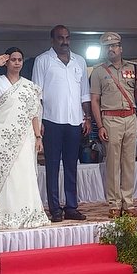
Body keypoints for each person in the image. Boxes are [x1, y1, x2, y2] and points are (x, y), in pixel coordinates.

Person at [0, 48, 50, 229]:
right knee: (4, 172)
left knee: (24, 172)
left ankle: (29, 213)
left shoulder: (30, 87)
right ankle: (7, 213)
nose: (16, 62)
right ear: (6, 62)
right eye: (12, 59)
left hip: (25, 136)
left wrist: (38, 137)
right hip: (2, 134)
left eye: (19, 59)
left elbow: (34, 114)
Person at [32, 25, 91, 222]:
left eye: (67, 38)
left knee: (71, 166)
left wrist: (87, 117)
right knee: (52, 167)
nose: (64, 41)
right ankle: (55, 208)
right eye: (60, 38)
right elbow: (36, 95)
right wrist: (38, 122)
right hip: (51, 121)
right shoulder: (42, 61)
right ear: (52, 40)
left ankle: (72, 206)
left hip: (74, 120)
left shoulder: (79, 61)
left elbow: (84, 92)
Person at [90, 32, 137, 218]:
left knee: (129, 162)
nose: (111, 49)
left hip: (130, 118)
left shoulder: (133, 67)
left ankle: (128, 203)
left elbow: (135, 98)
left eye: (114, 45)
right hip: (111, 118)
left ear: (121, 48)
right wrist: (99, 126)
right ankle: (114, 204)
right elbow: (94, 101)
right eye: (107, 46)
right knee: (113, 163)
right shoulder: (99, 71)